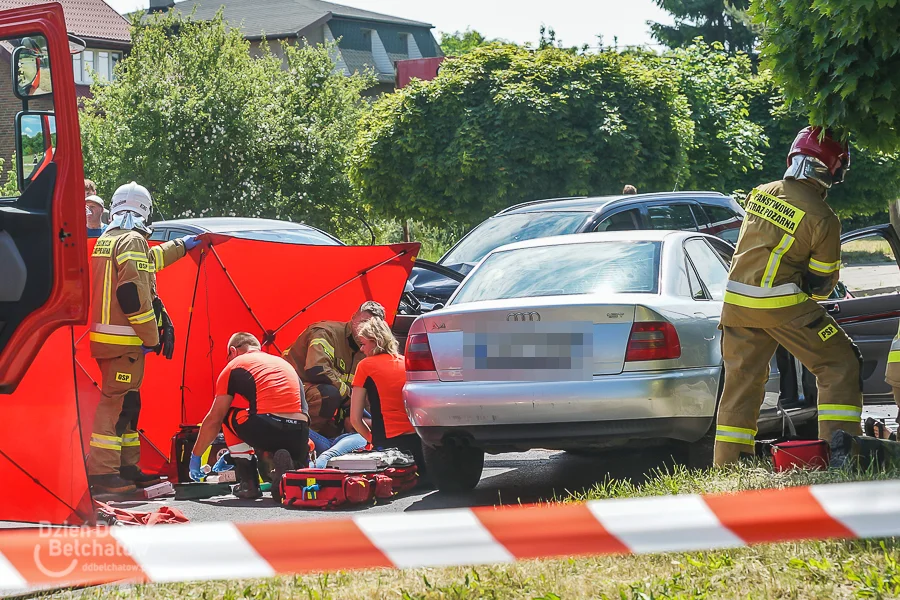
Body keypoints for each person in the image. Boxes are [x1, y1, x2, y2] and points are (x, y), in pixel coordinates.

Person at [714, 127, 861, 466]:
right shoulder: (823, 217)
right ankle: (840, 454)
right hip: (781, 304)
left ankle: (729, 463)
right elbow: (823, 282)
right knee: (839, 364)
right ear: (830, 170)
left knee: (742, 383)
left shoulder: (760, 193)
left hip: (736, 304)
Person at [87, 181, 204, 494]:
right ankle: (102, 473)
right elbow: (132, 294)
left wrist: (183, 245)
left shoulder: (109, 239)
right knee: (114, 405)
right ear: (145, 210)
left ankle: (127, 467)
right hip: (125, 342)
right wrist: (152, 335)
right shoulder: (133, 240)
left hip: (110, 340)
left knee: (128, 405)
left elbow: (147, 266)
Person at [189, 332, 310, 501]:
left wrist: (196, 456)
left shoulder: (234, 366)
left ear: (233, 351)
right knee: (259, 416)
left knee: (227, 416)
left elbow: (213, 419)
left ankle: (249, 483)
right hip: (300, 433)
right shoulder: (283, 363)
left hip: (267, 427)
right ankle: (292, 471)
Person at [283, 301, 385, 438]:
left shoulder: (366, 348)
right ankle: (297, 441)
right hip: (294, 390)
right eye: (363, 322)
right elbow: (317, 370)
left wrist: (358, 416)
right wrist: (350, 397)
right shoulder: (326, 332)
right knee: (328, 394)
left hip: (327, 403)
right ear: (353, 317)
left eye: (372, 326)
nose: (365, 329)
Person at [349, 318, 426, 480]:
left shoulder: (365, 366)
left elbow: (355, 419)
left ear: (376, 341)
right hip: (420, 445)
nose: (361, 349)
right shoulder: (406, 362)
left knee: (339, 448)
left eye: (363, 344)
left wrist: (373, 440)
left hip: (389, 447)